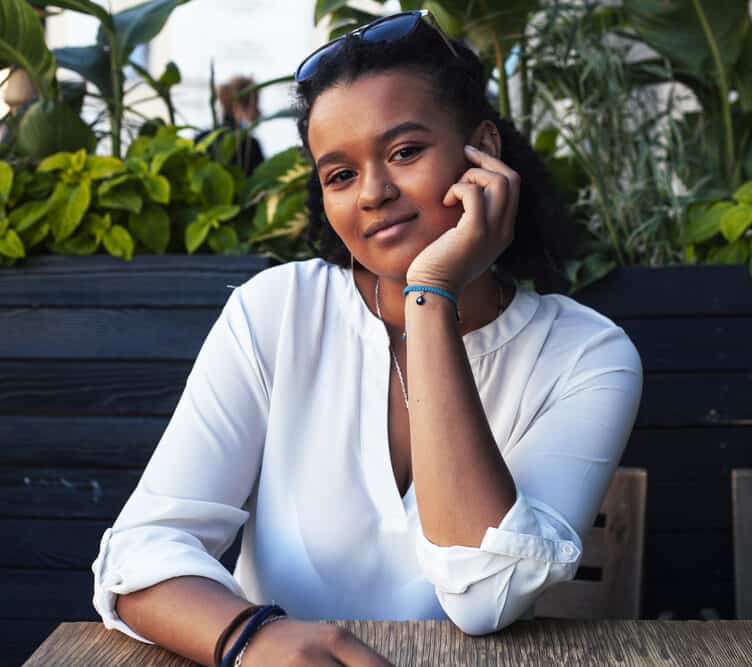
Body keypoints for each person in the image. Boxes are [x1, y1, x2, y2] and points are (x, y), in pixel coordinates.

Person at [92, 10, 643, 666]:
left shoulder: (588, 356)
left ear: (484, 152)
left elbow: (485, 593)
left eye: (404, 151)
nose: (374, 193)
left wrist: (431, 292)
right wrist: (253, 637)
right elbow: (138, 553)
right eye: (340, 174)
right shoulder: (278, 312)